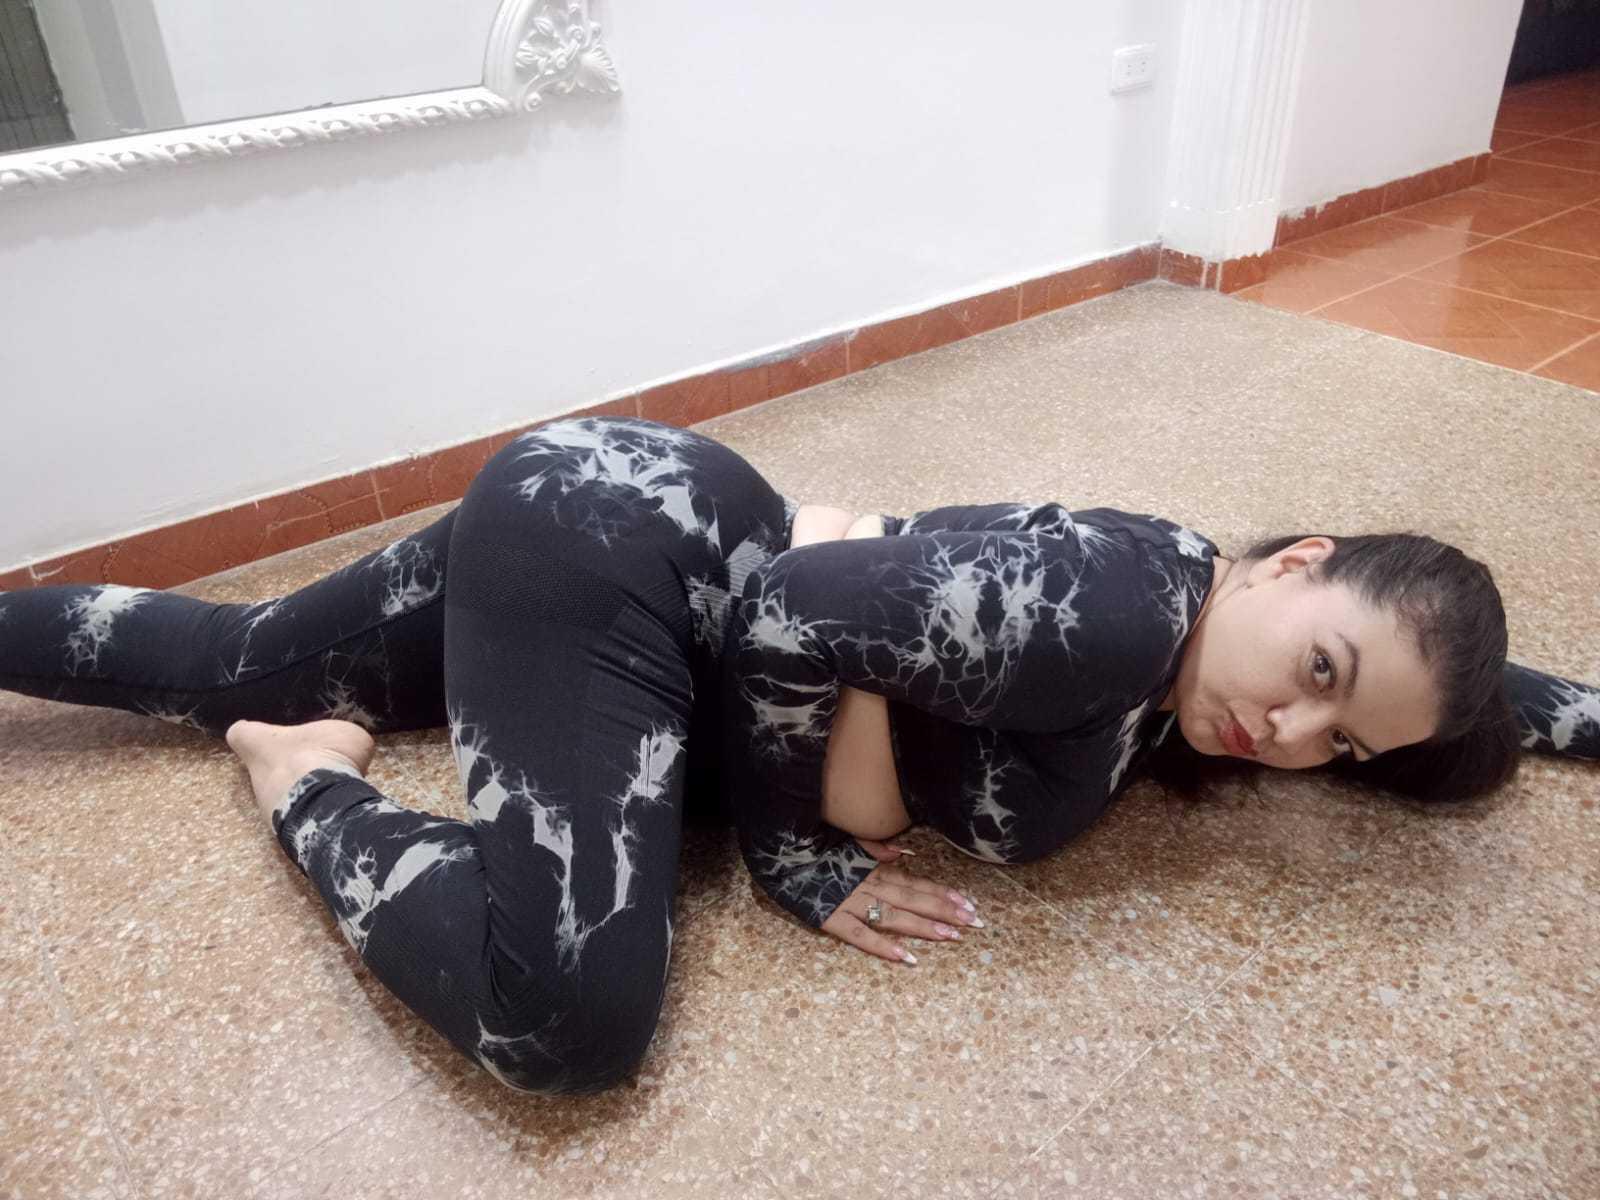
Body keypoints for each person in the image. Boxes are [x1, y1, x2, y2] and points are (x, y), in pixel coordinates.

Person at [0, 417, 1593, 1095]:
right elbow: (794, 610)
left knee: (222, 656)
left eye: (1340, 742)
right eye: (1317, 674)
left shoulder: (1207, 622)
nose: (1291, 732)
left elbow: (1421, 671)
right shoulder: (1118, 620)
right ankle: (305, 778)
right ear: (1297, 560)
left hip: (610, 510)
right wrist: (796, 857)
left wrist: (1546, 712)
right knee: (565, 1018)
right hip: (636, 574)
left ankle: (264, 714)